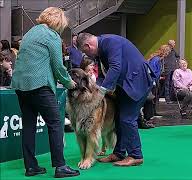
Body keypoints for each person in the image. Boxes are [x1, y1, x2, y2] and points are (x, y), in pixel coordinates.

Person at [10, 7, 80, 178]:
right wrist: (69, 83)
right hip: (39, 85)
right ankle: (60, 166)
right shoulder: (52, 35)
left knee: (28, 125)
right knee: (55, 124)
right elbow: (58, 66)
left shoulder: (30, 33)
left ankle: (31, 166)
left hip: (20, 85)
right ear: (59, 21)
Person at [76, 32, 154, 166]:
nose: (87, 56)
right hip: (125, 85)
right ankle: (119, 153)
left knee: (127, 119)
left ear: (88, 46)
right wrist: (97, 88)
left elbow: (115, 67)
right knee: (119, 118)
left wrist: (102, 91)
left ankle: (136, 155)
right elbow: (102, 75)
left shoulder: (111, 42)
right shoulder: (101, 50)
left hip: (136, 82)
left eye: (85, 52)